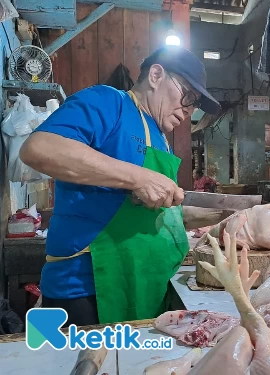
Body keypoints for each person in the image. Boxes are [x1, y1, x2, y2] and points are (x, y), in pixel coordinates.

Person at [19, 46, 222, 326]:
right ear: (155, 75)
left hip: (138, 287)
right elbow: (39, 148)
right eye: (187, 96)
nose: (188, 110)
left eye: (194, 104)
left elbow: (156, 213)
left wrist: (224, 217)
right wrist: (139, 177)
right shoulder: (109, 103)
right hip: (87, 292)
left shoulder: (159, 137)